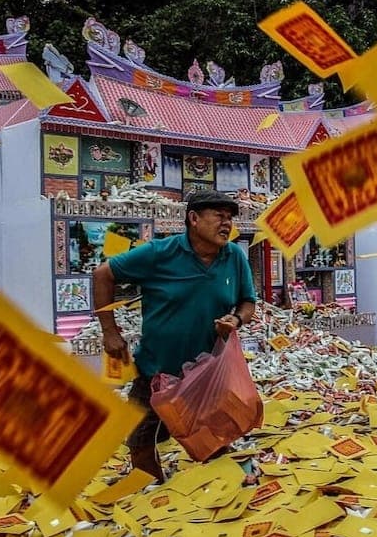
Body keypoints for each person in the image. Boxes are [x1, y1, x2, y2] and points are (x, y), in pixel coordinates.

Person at [92, 190, 257, 482]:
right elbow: (103, 274)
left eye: (230, 218)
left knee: (213, 438)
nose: (227, 224)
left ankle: (221, 494)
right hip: (156, 369)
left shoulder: (234, 257)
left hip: (209, 371)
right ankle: (154, 494)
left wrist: (236, 319)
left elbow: (247, 301)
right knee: (141, 439)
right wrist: (109, 331)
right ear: (193, 219)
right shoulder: (159, 253)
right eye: (219, 216)